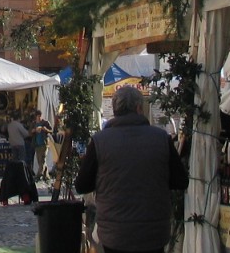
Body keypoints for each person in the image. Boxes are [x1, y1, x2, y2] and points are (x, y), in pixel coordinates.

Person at [75, 86, 188, 253]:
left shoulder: (100, 141)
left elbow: (82, 185)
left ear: (114, 110)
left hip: (114, 233)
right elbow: (181, 180)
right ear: (139, 108)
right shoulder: (161, 138)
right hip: (153, 232)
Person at [30, 110, 53, 181]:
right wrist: (33, 131)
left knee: (42, 159)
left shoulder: (45, 123)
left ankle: (38, 175)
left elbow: (51, 131)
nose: (39, 118)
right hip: (37, 144)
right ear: (36, 117)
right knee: (40, 160)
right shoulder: (33, 124)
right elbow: (29, 132)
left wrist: (45, 129)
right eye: (38, 116)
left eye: (40, 116)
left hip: (44, 144)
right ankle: (46, 176)